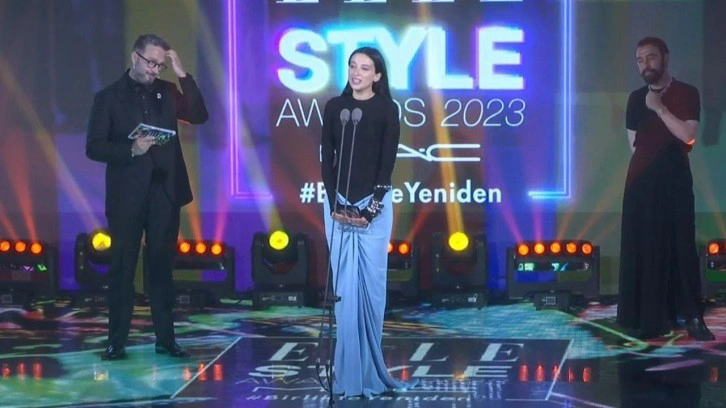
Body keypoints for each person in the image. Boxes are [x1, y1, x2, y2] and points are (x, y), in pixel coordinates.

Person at [86, 34, 209, 360]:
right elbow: (94, 147)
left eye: (160, 65)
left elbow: (199, 114)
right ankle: (116, 341)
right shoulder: (109, 98)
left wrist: (182, 75)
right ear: (134, 57)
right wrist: (131, 149)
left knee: (161, 269)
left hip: (164, 192)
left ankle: (166, 340)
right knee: (122, 269)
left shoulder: (167, 91)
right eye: (150, 63)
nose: (155, 69)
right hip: (126, 195)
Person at [320, 47, 416, 397]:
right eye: (352, 66)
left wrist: (370, 210)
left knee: (370, 291)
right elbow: (326, 159)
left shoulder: (387, 109)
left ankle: (371, 373)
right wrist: (335, 203)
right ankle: (347, 376)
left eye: (364, 68)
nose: (356, 73)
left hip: (371, 209)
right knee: (345, 292)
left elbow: (386, 164)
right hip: (337, 206)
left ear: (377, 75)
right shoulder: (335, 107)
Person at [617, 37, 714, 341]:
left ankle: (692, 317)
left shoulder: (686, 92)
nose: (645, 64)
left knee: (682, 246)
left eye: (651, 57)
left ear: (665, 58)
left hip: (675, 180)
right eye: (640, 60)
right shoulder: (635, 98)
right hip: (641, 183)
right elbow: (634, 144)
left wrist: (659, 109)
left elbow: (688, 135)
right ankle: (648, 318)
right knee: (645, 245)